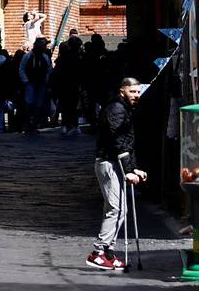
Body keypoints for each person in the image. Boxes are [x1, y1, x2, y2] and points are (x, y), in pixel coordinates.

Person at [86, 75, 147, 271]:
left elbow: (128, 142)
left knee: (115, 208)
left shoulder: (124, 108)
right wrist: (129, 170)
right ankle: (98, 253)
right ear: (123, 91)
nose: (136, 95)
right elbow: (119, 140)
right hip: (109, 163)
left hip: (114, 162)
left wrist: (134, 167)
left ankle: (108, 253)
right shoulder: (116, 109)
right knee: (117, 209)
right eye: (132, 92)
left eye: (138, 92)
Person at [18, 38, 53, 133]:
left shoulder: (44, 57)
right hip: (31, 83)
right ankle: (28, 124)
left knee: (38, 104)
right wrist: (25, 81)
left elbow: (49, 70)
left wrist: (46, 81)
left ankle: (34, 124)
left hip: (41, 83)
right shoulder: (28, 56)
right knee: (29, 103)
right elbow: (22, 68)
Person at [53, 32, 83, 135]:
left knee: (65, 106)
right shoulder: (80, 58)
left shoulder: (62, 58)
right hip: (74, 85)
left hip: (64, 85)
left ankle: (65, 125)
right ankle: (74, 125)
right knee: (73, 106)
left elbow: (56, 73)